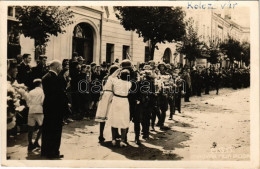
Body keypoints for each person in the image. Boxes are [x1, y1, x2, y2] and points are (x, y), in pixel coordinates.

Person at [41, 60, 68, 159]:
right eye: (60, 67)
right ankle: (53, 152)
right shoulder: (56, 78)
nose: (61, 68)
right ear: (57, 67)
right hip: (56, 108)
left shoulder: (45, 77)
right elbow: (60, 93)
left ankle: (45, 150)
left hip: (48, 106)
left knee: (47, 129)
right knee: (55, 130)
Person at [95, 65, 120, 143]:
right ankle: (115, 134)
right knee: (113, 115)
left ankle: (101, 135)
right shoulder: (114, 79)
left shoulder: (106, 77)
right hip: (110, 96)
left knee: (103, 115)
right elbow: (115, 89)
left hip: (104, 96)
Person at [109, 69, 132, 147]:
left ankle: (113, 139)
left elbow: (111, 76)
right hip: (124, 100)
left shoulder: (116, 81)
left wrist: (118, 69)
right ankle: (122, 140)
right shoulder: (129, 83)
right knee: (124, 119)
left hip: (116, 100)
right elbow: (129, 79)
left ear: (120, 75)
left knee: (114, 119)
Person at [22, 79, 45, 152]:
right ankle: (36, 141)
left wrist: (31, 106)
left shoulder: (31, 92)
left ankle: (30, 144)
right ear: (40, 84)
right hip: (39, 110)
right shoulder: (42, 91)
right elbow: (42, 101)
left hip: (31, 110)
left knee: (30, 128)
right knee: (42, 127)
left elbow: (27, 101)